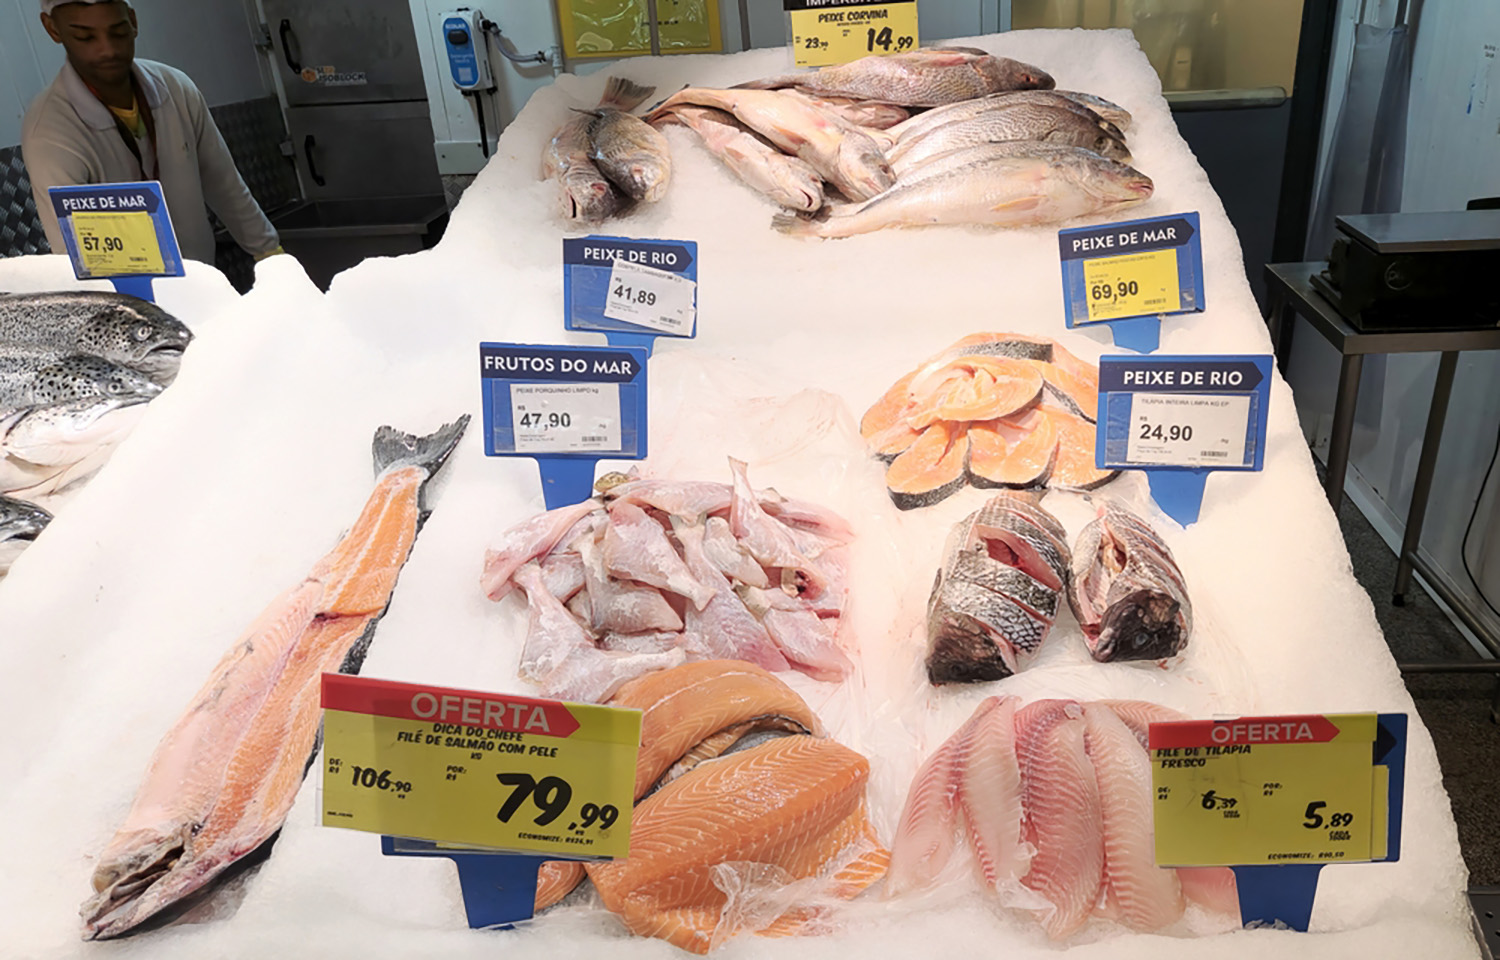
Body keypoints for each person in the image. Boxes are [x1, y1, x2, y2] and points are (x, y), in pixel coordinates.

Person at [22, 0, 283, 266]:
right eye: (84, 37)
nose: (108, 50)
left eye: (119, 32)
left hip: (202, 283)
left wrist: (270, 254)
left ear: (133, 22)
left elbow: (222, 182)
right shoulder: (50, 132)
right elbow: (74, 253)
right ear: (52, 29)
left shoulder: (176, 88)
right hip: (129, 299)